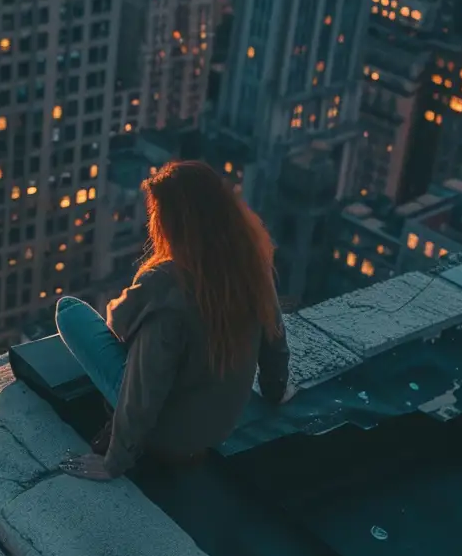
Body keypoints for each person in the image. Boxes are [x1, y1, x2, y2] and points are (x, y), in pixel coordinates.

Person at [54, 160, 290, 478]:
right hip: (218, 427)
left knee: (70, 311)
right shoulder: (250, 263)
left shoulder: (167, 281)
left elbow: (144, 383)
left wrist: (114, 463)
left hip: (166, 434)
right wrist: (275, 390)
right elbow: (275, 340)